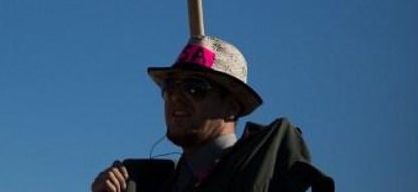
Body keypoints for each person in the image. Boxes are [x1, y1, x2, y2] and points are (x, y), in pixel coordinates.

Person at [90, 35, 332, 192]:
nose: (175, 96)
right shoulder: (150, 184)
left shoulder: (263, 178)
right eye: (171, 86)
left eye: (194, 88)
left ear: (233, 106)